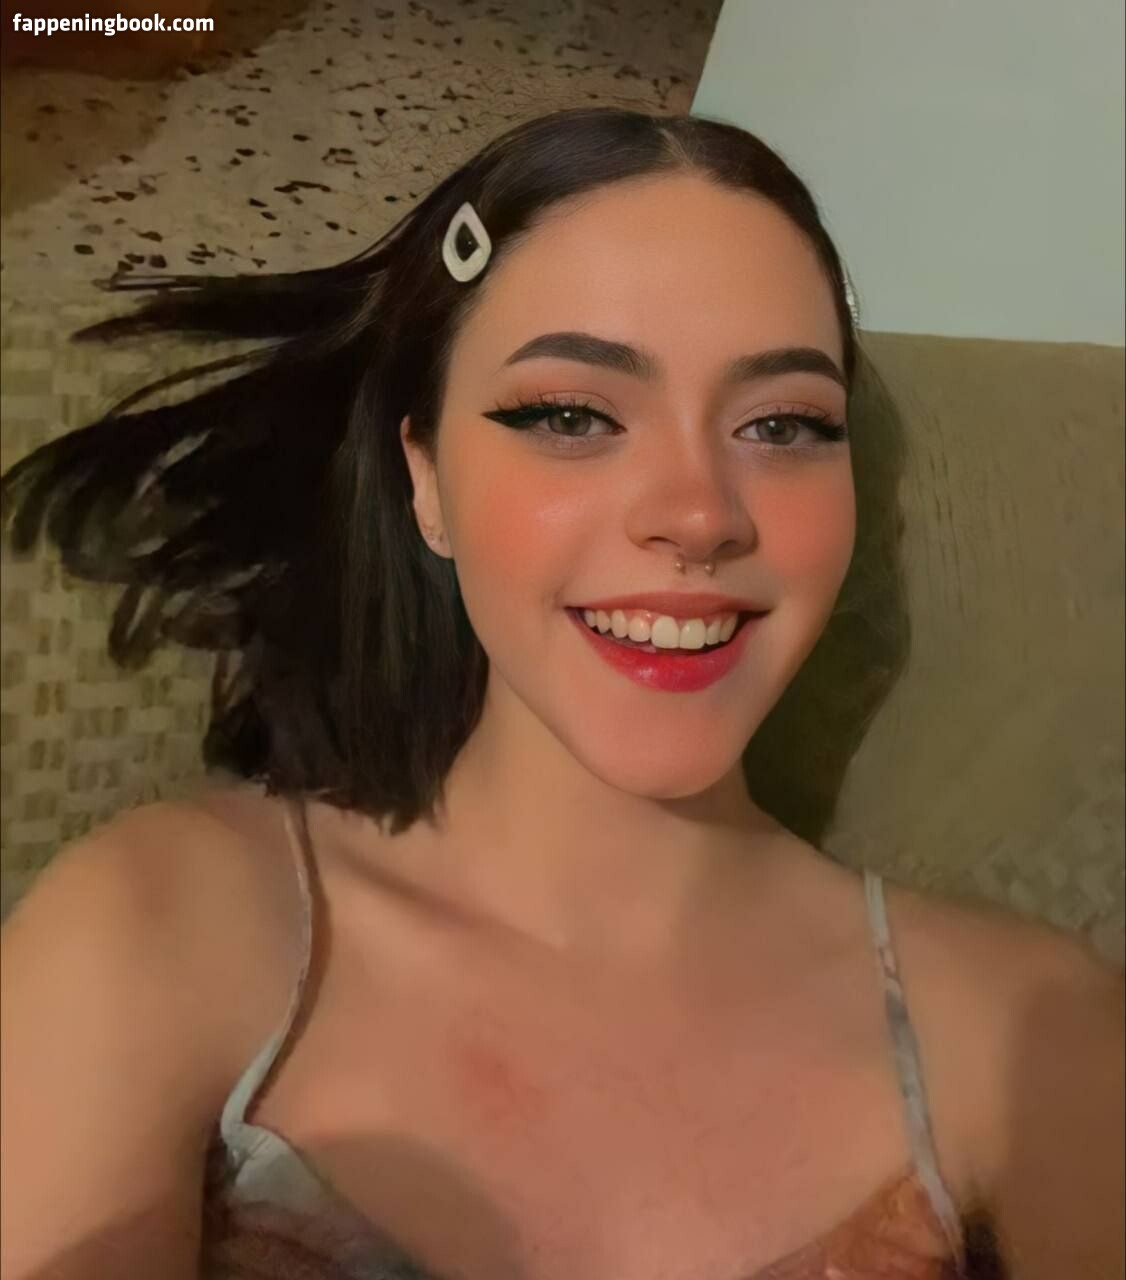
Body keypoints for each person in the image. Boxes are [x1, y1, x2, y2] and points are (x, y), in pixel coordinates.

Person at [0, 107, 1121, 1280]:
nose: (698, 512)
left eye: (783, 424)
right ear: (425, 479)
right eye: (572, 416)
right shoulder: (161, 926)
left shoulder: (1027, 1031)